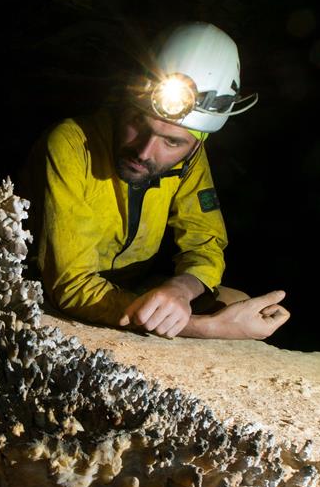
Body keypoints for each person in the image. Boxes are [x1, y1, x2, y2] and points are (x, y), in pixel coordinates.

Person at [23, 22, 290, 340]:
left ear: (197, 144)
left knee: (237, 302)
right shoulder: (71, 144)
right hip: (44, 289)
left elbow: (205, 241)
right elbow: (70, 285)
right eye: (139, 123)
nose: (144, 152)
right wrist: (205, 327)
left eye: (172, 142)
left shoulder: (191, 159)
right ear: (126, 102)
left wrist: (182, 288)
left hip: (130, 285)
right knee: (227, 319)